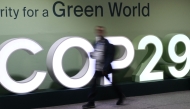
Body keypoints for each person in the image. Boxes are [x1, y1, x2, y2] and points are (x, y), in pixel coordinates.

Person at [82, 26, 125, 109]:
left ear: (103, 32)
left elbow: (109, 57)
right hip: (98, 68)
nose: (99, 32)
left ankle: (120, 96)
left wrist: (105, 68)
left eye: (101, 31)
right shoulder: (96, 43)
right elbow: (96, 54)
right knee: (94, 84)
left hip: (105, 68)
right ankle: (91, 102)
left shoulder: (107, 44)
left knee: (113, 83)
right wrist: (91, 54)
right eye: (98, 31)